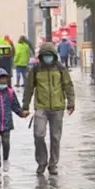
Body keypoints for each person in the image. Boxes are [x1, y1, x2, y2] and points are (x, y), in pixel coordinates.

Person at [22, 42, 75, 176]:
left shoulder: (60, 68)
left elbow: (68, 85)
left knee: (55, 138)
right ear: (41, 56)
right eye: (45, 56)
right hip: (41, 107)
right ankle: (42, 162)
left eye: (49, 55)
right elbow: (28, 88)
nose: (47, 58)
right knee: (39, 135)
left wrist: (71, 102)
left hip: (58, 107)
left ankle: (53, 164)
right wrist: (25, 106)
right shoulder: (36, 69)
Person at [0, 68, 29, 175]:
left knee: (6, 143)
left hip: (6, 123)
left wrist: (22, 114)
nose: (3, 82)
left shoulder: (10, 93)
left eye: (5, 79)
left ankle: (6, 159)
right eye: (1, 79)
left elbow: (15, 106)